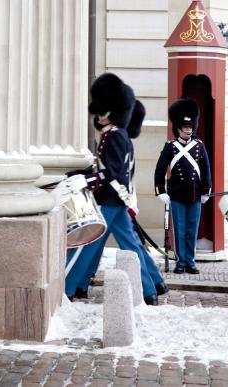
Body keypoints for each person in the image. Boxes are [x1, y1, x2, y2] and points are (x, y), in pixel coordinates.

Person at [63, 73, 167, 306]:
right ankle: (149, 289)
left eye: (102, 110)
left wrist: (88, 181)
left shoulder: (116, 136)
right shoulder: (115, 134)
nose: (98, 115)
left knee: (87, 242)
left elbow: (115, 171)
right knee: (127, 245)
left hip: (111, 198)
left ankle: (68, 286)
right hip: (115, 199)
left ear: (111, 110)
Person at [154, 98, 211, 274]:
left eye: (190, 127)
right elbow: (160, 169)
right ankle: (180, 261)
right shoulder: (170, 147)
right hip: (177, 195)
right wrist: (160, 191)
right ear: (178, 128)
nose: (188, 129)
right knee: (179, 230)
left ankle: (190, 261)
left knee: (191, 229)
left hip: (194, 194)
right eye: (185, 127)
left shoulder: (199, 146)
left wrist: (206, 190)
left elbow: (206, 169)